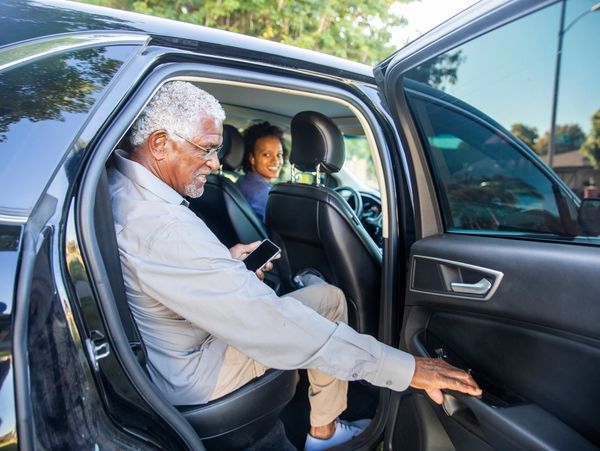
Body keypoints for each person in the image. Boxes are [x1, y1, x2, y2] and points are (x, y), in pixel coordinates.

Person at [108, 81, 481, 450]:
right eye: (206, 149)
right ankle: (325, 433)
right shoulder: (164, 227)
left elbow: (172, 271)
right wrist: (406, 369)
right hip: (196, 373)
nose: (216, 163)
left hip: (170, 352)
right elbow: (272, 325)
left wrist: (226, 263)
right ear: (159, 144)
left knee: (322, 298)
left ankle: (325, 429)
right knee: (327, 306)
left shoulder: (120, 189)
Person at [236, 121, 286, 222]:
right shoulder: (262, 193)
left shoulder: (242, 181)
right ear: (252, 158)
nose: (276, 161)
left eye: (279, 154)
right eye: (267, 154)